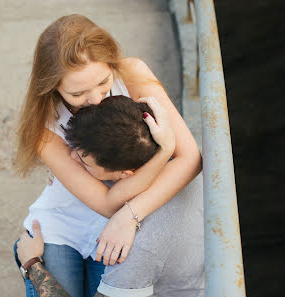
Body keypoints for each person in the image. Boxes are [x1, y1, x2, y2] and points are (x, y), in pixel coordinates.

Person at [14, 14, 202, 297]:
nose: (96, 99)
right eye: (77, 93)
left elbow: (191, 159)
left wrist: (131, 215)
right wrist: (163, 152)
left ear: (112, 61)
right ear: (52, 86)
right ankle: (29, 260)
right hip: (68, 221)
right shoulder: (44, 126)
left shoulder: (133, 74)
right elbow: (105, 202)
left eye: (103, 81)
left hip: (116, 221)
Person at [16, 96, 204, 297]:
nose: (71, 159)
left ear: (125, 174)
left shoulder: (134, 250)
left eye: (84, 162)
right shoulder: (177, 167)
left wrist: (32, 264)